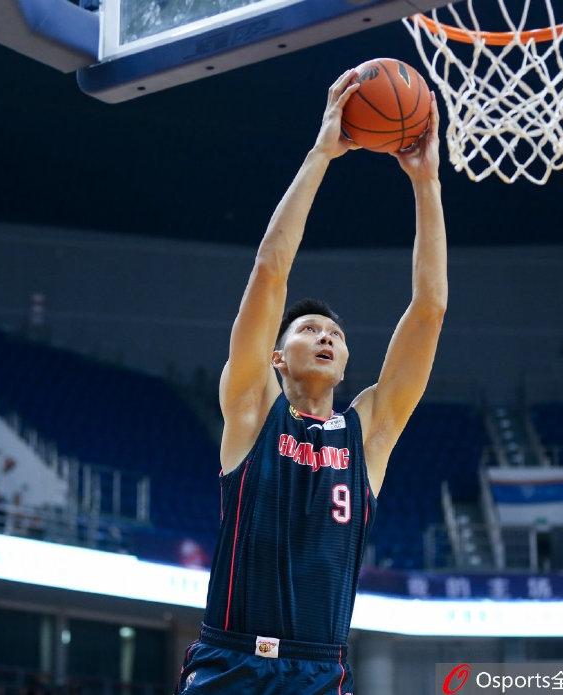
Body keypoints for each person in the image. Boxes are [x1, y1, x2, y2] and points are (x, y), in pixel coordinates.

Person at [175, 70, 447, 694]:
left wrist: (427, 185)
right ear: (275, 357)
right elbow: (271, 269)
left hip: (319, 670)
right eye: (308, 330)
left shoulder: (368, 432)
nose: (324, 336)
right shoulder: (250, 411)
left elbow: (429, 309)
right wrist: (324, 150)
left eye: (335, 334)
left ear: (347, 363)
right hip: (229, 663)